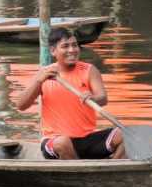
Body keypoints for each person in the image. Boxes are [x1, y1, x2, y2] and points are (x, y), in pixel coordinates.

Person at [15, 28, 125, 160]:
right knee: (63, 142)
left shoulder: (89, 70)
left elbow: (103, 98)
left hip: (87, 139)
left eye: (74, 45)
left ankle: (110, 172)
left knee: (126, 135)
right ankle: (82, 175)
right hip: (55, 141)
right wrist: (38, 81)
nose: (72, 50)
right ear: (53, 51)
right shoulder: (44, 74)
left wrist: (93, 98)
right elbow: (21, 105)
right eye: (65, 46)